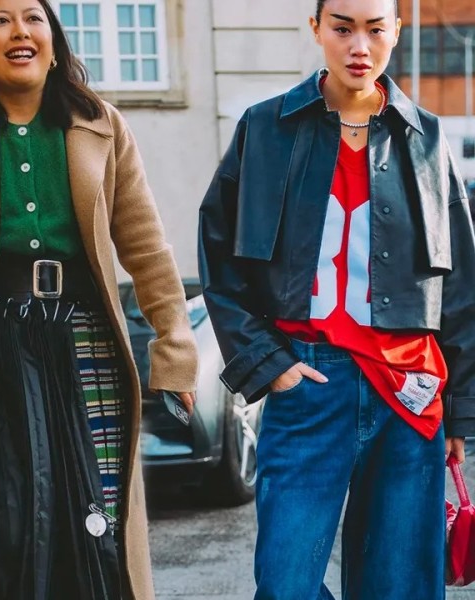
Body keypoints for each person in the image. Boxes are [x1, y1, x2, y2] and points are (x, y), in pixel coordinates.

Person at [0, 0, 197, 598]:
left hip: (85, 345)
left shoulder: (101, 126)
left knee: (90, 511)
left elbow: (147, 247)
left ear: (54, 42)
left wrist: (175, 348)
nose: (19, 31)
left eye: (33, 17)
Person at [197, 0, 475, 597]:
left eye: (375, 30)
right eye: (343, 28)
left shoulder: (427, 138)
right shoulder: (265, 128)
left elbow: (461, 286)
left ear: (396, 33)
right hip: (307, 383)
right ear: (316, 29)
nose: (360, 46)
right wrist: (271, 368)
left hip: (411, 392)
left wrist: (462, 406)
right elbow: (219, 257)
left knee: (398, 586)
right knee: (286, 584)